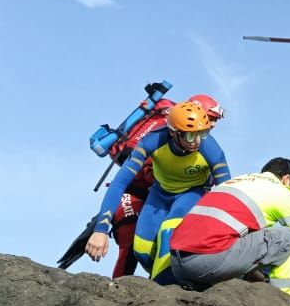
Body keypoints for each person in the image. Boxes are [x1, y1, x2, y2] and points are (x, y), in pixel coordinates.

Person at [84, 101, 231, 284]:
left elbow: (227, 193)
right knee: (142, 251)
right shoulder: (153, 141)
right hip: (159, 195)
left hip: (192, 193)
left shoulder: (211, 149)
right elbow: (119, 184)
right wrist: (100, 230)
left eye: (203, 133)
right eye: (191, 136)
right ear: (173, 133)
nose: (198, 141)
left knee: (168, 234)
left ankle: (166, 291)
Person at [169, 157, 290, 296]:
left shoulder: (235, 182)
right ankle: (285, 301)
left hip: (177, 263)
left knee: (243, 241)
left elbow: (242, 249)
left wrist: (260, 280)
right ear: (288, 179)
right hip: (207, 261)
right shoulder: (282, 192)